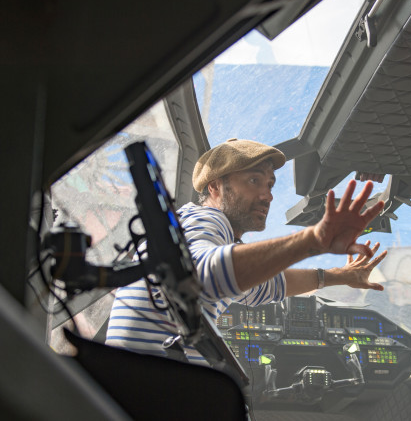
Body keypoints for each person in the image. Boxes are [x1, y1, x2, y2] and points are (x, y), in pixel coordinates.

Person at [106, 138, 387, 363]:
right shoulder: (202, 219)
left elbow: (269, 285)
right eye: (254, 181)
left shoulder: (213, 238)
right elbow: (200, 274)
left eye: (270, 184)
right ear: (215, 187)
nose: (268, 195)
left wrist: (342, 276)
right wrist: (312, 240)